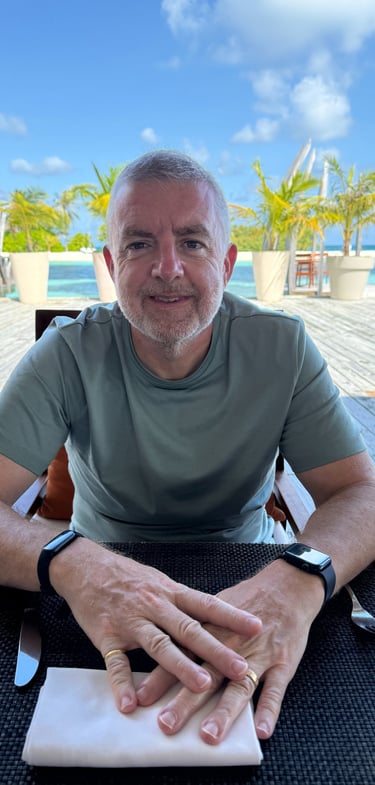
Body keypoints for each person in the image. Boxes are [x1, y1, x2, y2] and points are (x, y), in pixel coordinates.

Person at [0, 150, 374, 747]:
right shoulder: (66, 353)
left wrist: (300, 578)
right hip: (94, 586)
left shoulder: (283, 348)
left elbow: (360, 492)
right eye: (140, 243)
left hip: (251, 581)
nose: (168, 268)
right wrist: (71, 561)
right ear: (109, 264)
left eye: (194, 243)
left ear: (227, 263)